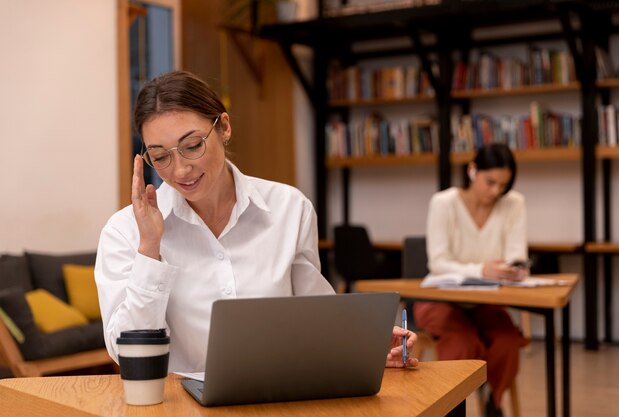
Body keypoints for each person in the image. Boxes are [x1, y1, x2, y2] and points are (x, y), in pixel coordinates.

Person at [95, 70, 417, 373]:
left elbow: (316, 317)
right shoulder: (125, 232)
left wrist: (367, 346)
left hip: (277, 399)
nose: (180, 170)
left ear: (224, 127)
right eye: (161, 156)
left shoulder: (289, 209)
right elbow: (127, 354)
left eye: (192, 146)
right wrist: (150, 250)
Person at [413, 143, 529, 417]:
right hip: (441, 300)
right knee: (462, 342)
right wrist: (482, 270)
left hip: (485, 301)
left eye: (503, 185)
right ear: (472, 170)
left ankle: (494, 400)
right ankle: (452, 408)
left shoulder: (514, 203)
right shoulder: (443, 203)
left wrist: (513, 270)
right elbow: (438, 264)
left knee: (507, 342)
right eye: (490, 182)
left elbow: (516, 256)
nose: (496, 191)